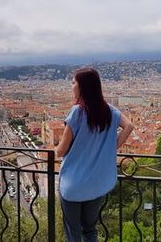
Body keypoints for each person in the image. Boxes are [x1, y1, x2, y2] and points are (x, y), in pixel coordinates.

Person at [53, 68, 134, 242]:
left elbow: (61, 150)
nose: (71, 85)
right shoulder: (110, 111)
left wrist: (56, 150)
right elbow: (129, 126)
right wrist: (113, 146)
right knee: (90, 230)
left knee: (73, 232)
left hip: (73, 185)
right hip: (96, 184)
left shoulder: (77, 112)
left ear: (83, 87)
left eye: (74, 82)